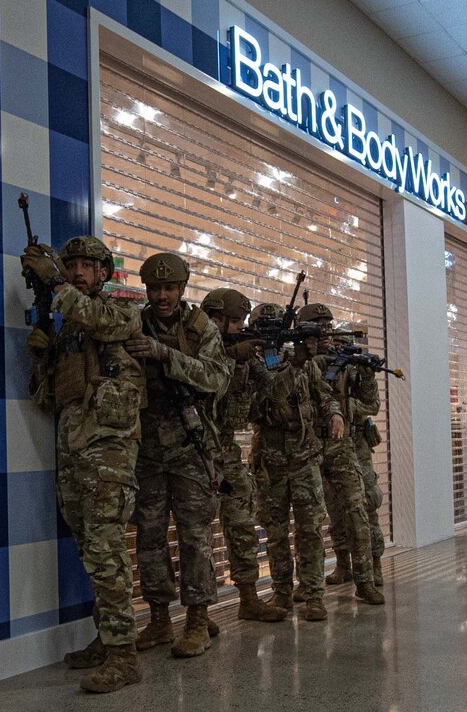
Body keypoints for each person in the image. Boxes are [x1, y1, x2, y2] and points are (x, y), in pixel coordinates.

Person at [23, 234, 148, 694]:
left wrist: (56, 284)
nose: (77, 271)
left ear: (103, 273)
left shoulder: (121, 311)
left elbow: (104, 322)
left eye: (86, 266)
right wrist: (42, 356)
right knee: (90, 550)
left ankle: (124, 655)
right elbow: (46, 399)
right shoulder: (69, 328)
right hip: (74, 449)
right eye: (70, 264)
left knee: (107, 549)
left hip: (109, 450)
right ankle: (106, 638)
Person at [127, 252, 231, 658]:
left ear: (182, 288)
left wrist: (166, 355)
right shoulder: (134, 322)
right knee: (150, 536)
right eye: (155, 288)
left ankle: (197, 620)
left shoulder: (200, 327)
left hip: (189, 445)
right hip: (147, 447)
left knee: (194, 536)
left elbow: (216, 378)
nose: (162, 296)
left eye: (170, 288)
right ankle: (158, 620)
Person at [199, 288, 289, 624]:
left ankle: (248, 599)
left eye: (241, 320)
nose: (240, 327)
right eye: (235, 321)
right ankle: (198, 613)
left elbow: (275, 391)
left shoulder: (245, 356)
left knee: (241, 524)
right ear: (215, 320)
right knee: (197, 535)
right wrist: (231, 357)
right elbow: (207, 386)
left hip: (226, 451)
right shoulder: (196, 349)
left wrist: (284, 361)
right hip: (194, 451)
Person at [249, 301, 342, 621]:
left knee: (310, 528)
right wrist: (296, 364)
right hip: (270, 461)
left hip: (304, 457)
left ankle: (314, 594)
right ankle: (281, 593)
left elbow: (324, 394)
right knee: (275, 533)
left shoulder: (300, 361)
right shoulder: (250, 366)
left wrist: (335, 414)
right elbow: (268, 396)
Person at [301, 303, 382, 607]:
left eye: (327, 325)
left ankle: (367, 577)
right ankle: (326, 575)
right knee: (320, 514)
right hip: (307, 445)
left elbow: (370, 404)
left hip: (342, 443)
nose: (324, 332)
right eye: (316, 326)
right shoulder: (294, 361)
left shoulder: (345, 360)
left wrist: (367, 377)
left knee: (359, 508)